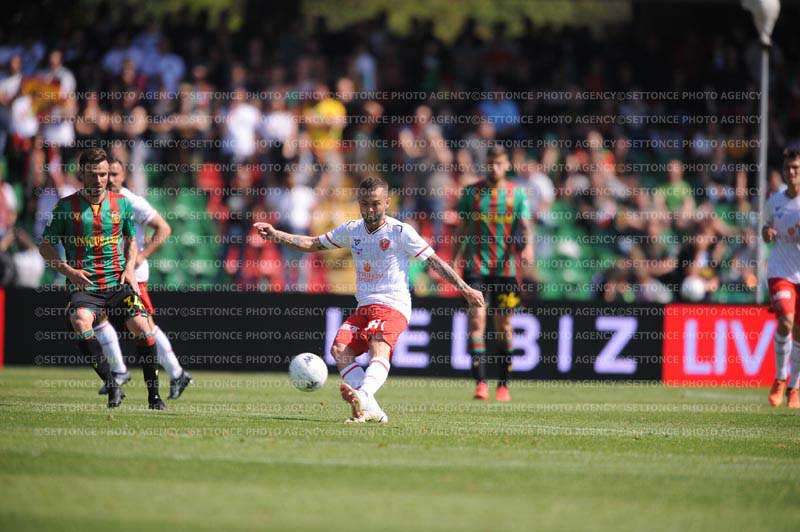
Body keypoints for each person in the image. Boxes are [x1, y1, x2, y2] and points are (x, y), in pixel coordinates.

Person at [255, 176, 484, 423]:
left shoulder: (400, 232)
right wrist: (276, 235)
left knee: (378, 344)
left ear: (387, 203)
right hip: (364, 306)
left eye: (375, 203)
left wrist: (465, 289)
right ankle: (372, 409)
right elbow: (312, 243)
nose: (370, 209)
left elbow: (435, 262)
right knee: (340, 349)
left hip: (393, 304)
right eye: (365, 203)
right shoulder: (352, 230)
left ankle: (362, 396)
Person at [37, 148, 166, 409]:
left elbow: (131, 241)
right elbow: (45, 246)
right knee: (79, 320)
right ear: (82, 174)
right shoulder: (66, 207)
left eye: (104, 174)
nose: (99, 180)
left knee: (143, 327)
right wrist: (69, 272)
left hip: (117, 283)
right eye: (93, 174)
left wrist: (129, 268)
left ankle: (154, 397)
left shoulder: (122, 203)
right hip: (85, 285)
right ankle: (112, 385)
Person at [92, 157, 192, 400]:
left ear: (124, 176)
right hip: (110, 270)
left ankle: (175, 373)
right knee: (97, 317)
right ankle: (121, 370)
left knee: (144, 325)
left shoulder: (132, 201)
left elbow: (164, 228)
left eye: (115, 174)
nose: (110, 179)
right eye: (106, 174)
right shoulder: (101, 201)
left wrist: (142, 256)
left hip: (132, 274)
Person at [453, 146, 534, 402]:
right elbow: (463, 226)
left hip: (505, 271)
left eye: (498, 164)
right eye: (490, 164)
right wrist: (454, 257)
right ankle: (480, 384)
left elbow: (525, 225)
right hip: (475, 268)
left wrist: (528, 248)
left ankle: (503, 385)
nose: (494, 168)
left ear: (507, 165)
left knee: (504, 326)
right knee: (477, 322)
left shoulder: (517, 194)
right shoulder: (471, 192)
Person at [764, 147, 800, 408]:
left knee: (799, 332)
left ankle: (793, 388)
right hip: (781, 272)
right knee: (786, 322)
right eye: (788, 168)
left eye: (796, 168)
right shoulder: (774, 200)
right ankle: (779, 378)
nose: (791, 172)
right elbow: (766, 228)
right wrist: (766, 233)